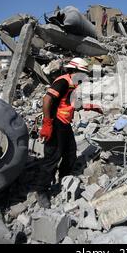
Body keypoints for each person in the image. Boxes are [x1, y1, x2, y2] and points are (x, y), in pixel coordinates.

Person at [39, 57, 90, 186]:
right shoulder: (63, 82)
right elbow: (46, 100)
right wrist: (47, 123)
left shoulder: (73, 84)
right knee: (53, 157)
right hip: (55, 123)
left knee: (70, 153)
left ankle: (63, 179)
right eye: (83, 74)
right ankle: (42, 190)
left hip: (64, 124)